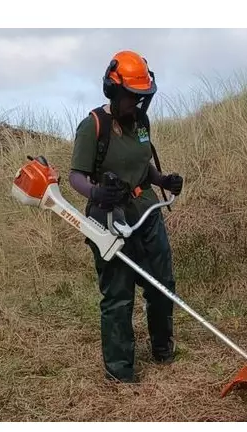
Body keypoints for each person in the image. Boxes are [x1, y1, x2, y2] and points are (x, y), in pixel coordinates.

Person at [68, 50, 184, 383]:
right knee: (118, 294)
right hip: (110, 217)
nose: (138, 104)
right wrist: (95, 193)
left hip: (146, 209)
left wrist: (162, 180)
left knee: (162, 284)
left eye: (142, 97)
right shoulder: (93, 126)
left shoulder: (141, 123)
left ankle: (162, 348)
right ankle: (120, 370)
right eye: (133, 97)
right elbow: (76, 175)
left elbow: (140, 166)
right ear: (114, 92)